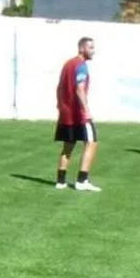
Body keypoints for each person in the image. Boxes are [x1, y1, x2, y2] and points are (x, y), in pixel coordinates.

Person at [54, 37, 101, 191]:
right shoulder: (81, 66)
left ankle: (60, 181)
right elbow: (79, 88)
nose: (93, 50)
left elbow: (59, 87)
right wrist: (86, 109)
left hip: (66, 113)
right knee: (92, 142)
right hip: (78, 113)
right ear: (81, 48)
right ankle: (82, 180)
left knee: (68, 146)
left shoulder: (68, 64)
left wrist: (60, 104)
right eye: (90, 47)